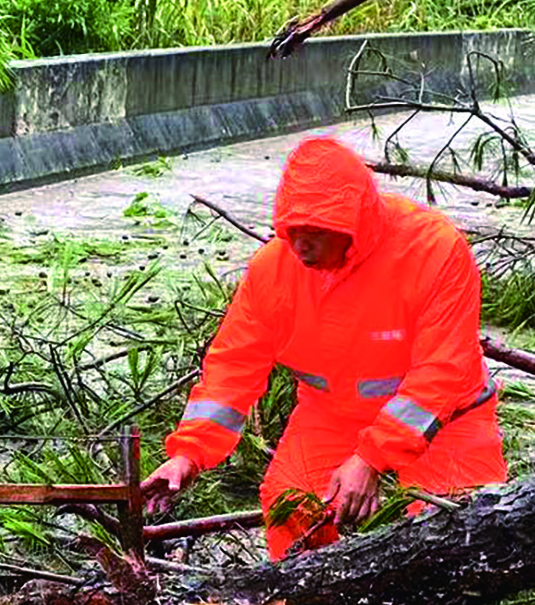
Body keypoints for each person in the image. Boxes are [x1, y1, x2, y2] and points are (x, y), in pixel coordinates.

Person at [142, 135, 506, 557]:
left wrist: (371, 460)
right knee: (289, 509)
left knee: (457, 531)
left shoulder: (432, 250)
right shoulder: (274, 271)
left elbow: (440, 374)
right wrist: (188, 453)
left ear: (355, 222)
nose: (300, 246)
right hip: (333, 415)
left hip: (449, 419)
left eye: (315, 231)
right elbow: (232, 369)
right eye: (291, 230)